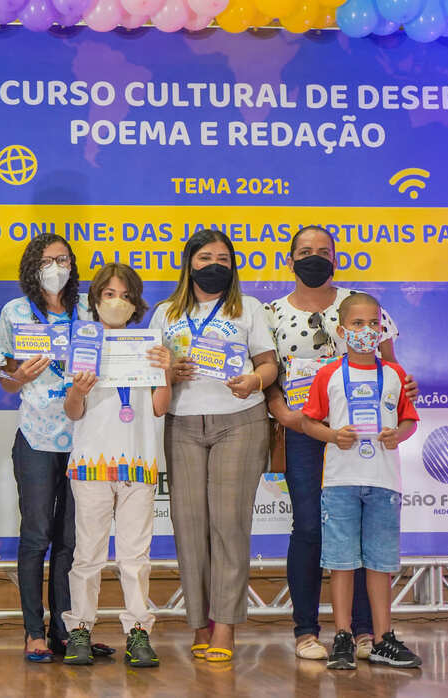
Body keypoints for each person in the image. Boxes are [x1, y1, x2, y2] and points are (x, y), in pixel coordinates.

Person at [263, 225, 414, 661]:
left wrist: (406, 395)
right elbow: (268, 374)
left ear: (335, 258)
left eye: (323, 251)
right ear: (289, 258)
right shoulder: (272, 313)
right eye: (305, 251)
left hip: (365, 435)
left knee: (365, 531)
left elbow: (394, 368)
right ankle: (307, 631)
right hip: (306, 433)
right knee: (310, 528)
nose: (314, 257)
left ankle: (365, 633)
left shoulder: (361, 306)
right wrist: (282, 410)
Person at [149, 228, 277, 663]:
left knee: (228, 526)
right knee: (188, 527)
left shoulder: (250, 308)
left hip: (239, 421)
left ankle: (225, 626)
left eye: (223, 258)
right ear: (189, 263)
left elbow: (268, 363)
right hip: (182, 422)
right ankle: (199, 624)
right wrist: (169, 372)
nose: (214, 265)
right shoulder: (166, 312)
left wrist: (254, 381)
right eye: (205, 257)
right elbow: (150, 369)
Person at [60, 263, 173, 669]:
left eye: (125, 295)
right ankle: (81, 629)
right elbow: (73, 412)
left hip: (138, 462)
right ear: (94, 300)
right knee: (87, 553)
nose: (117, 302)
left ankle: (138, 631)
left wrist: (166, 372)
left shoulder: (150, 347)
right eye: (108, 294)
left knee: (134, 556)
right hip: (91, 463)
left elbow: (160, 407)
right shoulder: (83, 346)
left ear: (136, 303)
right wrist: (77, 388)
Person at [300, 292, 421, 670]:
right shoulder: (328, 374)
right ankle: (342, 637)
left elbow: (408, 420)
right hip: (340, 482)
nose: (367, 331)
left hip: (384, 482)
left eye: (374, 324)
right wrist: (334, 436)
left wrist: (396, 436)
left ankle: (384, 638)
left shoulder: (396, 374)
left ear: (382, 328)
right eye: (357, 324)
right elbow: (308, 422)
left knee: (380, 563)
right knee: (341, 562)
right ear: (341, 330)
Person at [0, 233, 94, 662]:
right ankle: (33, 629)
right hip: (36, 436)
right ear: (32, 265)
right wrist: (21, 375)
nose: (57, 267)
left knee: (71, 541)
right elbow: (3, 378)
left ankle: (66, 630)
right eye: (48, 259)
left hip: (86, 437)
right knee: (36, 536)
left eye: (64, 260)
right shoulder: (15, 312)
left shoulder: (89, 309)